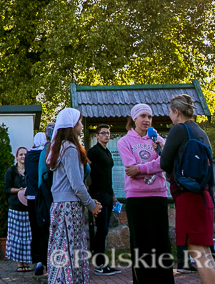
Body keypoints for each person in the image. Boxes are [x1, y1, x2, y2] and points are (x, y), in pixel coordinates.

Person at [159, 94, 215, 284]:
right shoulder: (200, 131)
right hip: (203, 193)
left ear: (176, 112)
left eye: (170, 112)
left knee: (197, 251)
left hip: (187, 195)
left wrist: (161, 150)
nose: (170, 116)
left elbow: (165, 163)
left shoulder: (178, 129)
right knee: (205, 251)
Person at [117, 103, 173, 284]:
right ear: (134, 119)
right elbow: (130, 169)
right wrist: (153, 166)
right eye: (143, 116)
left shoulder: (158, 140)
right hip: (137, 197)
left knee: (161, 243)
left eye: (149, 116)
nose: (147, 120)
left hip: (158, 195)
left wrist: (141, 168)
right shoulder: (124, 142)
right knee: (141, 244)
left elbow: (164, 162)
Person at [47, 108, 101, 284]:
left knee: (60, 250)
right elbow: (76, 185)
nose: (81, 125)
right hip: (69, 208)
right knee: (70, 251)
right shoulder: (70, 148)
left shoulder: (60, 147)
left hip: (60, 206)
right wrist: (91, 205)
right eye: (79, 122)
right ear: (71, 125)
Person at [88, 123, 120, 276]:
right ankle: (99, 264)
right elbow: (85, 168)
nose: (106, 135)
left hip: (107, 193)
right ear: (97, 136)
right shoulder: (94, 151)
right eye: (103, 133)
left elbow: (107, 175)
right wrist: (87, 190)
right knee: (101, 229)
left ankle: (100, 261)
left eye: (108, 133)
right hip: (98, 194)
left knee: (104, 229)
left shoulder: (107, 152)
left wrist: (113, 195)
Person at [26, 130, 50, 278]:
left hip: (30, 196)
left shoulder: (28, 156)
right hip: (42, 196)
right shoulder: (45, 155)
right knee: (45, 229)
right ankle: (46, 259)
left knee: (34, 229)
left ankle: (37, 260)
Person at [5, 146, 32, 271]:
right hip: (15, 207)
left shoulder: (29, 171)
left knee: (27, 237)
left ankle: (26, 262)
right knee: (17, 237)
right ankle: (19, 263)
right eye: (21, 154)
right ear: (16, 157)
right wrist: (19, 190)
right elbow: (7, 188)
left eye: (25, 154)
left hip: (27, 208)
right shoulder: (11, 171)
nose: (23, 157)